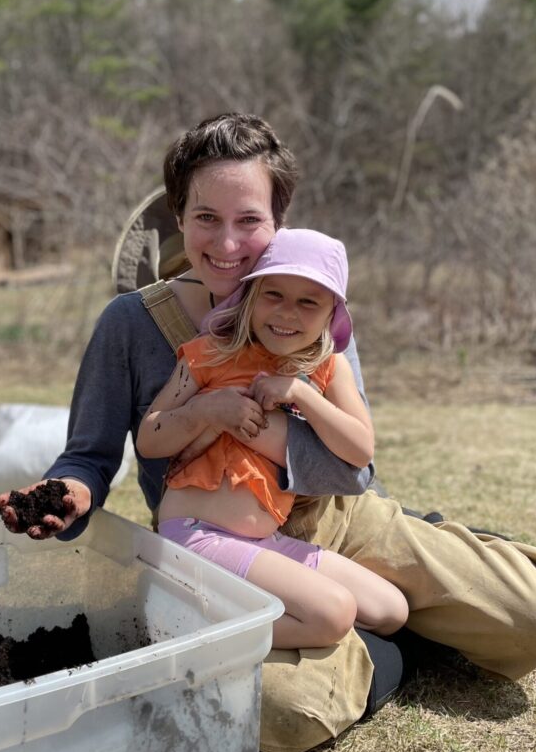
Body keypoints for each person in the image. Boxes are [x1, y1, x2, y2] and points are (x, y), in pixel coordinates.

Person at [0, 112, 536, 752]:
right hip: (224, 544)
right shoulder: (132, 324)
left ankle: (392, 605)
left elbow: (354, 468)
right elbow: (90, 455)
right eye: (205, 218)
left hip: (343, 521)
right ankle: (387, 636)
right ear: (180, 217)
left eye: (248, 220)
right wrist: (69, 494)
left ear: (278, 222)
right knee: (272, 712)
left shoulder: (312, 308)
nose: (226, 243)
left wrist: (273, 425)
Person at [135, 228, 408, 647]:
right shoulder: (210, 352)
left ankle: (224, 607)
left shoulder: (331, 370)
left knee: (390, 611)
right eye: (273, 295)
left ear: (330, 312)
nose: (286, 314)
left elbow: (361, 451)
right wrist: (205, 410)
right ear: (250, 296)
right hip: (196, 534)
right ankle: (183, 623)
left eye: (307, 302)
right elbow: (149, 438)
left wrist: (299, 391)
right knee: (333, 614)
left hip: (264, 541)